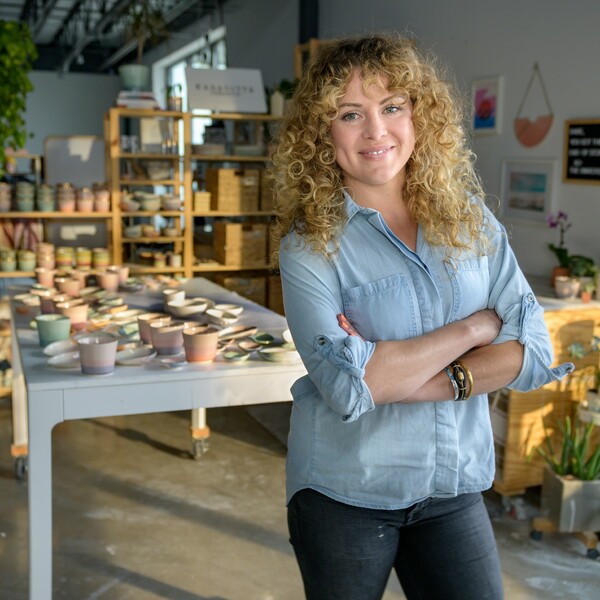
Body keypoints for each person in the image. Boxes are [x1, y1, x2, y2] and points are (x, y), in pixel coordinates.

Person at [268, 34, 573, 600]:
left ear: (418, 114)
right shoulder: (310, 247)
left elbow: (531, 349)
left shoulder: (471, 221)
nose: (376, 132)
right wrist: (476, 329)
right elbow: (349, 385)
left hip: (452, 488)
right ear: (321, 132)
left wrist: (420, 378)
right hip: (345, 494)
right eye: (350, 114)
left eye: (391, 107)